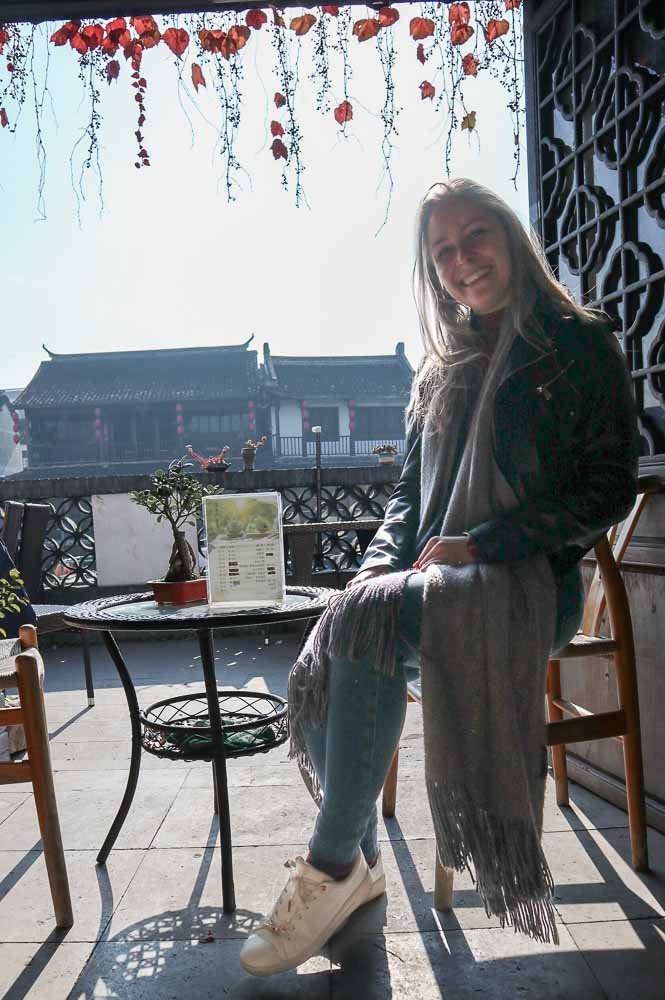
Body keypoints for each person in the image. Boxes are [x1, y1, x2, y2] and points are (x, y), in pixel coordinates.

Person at [240, 179, 639, 977]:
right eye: (442, 251)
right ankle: (350, 862)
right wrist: (376, 565)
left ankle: (333, 867)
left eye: (475, 235)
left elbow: (607, 487)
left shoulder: (575, 344)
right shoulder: (440, 365)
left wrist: (484, 543)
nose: (462, 260)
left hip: (529, 584)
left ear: (510, 236)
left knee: (369, 625)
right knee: (352, 618)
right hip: (434, 581)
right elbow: (406, 496)